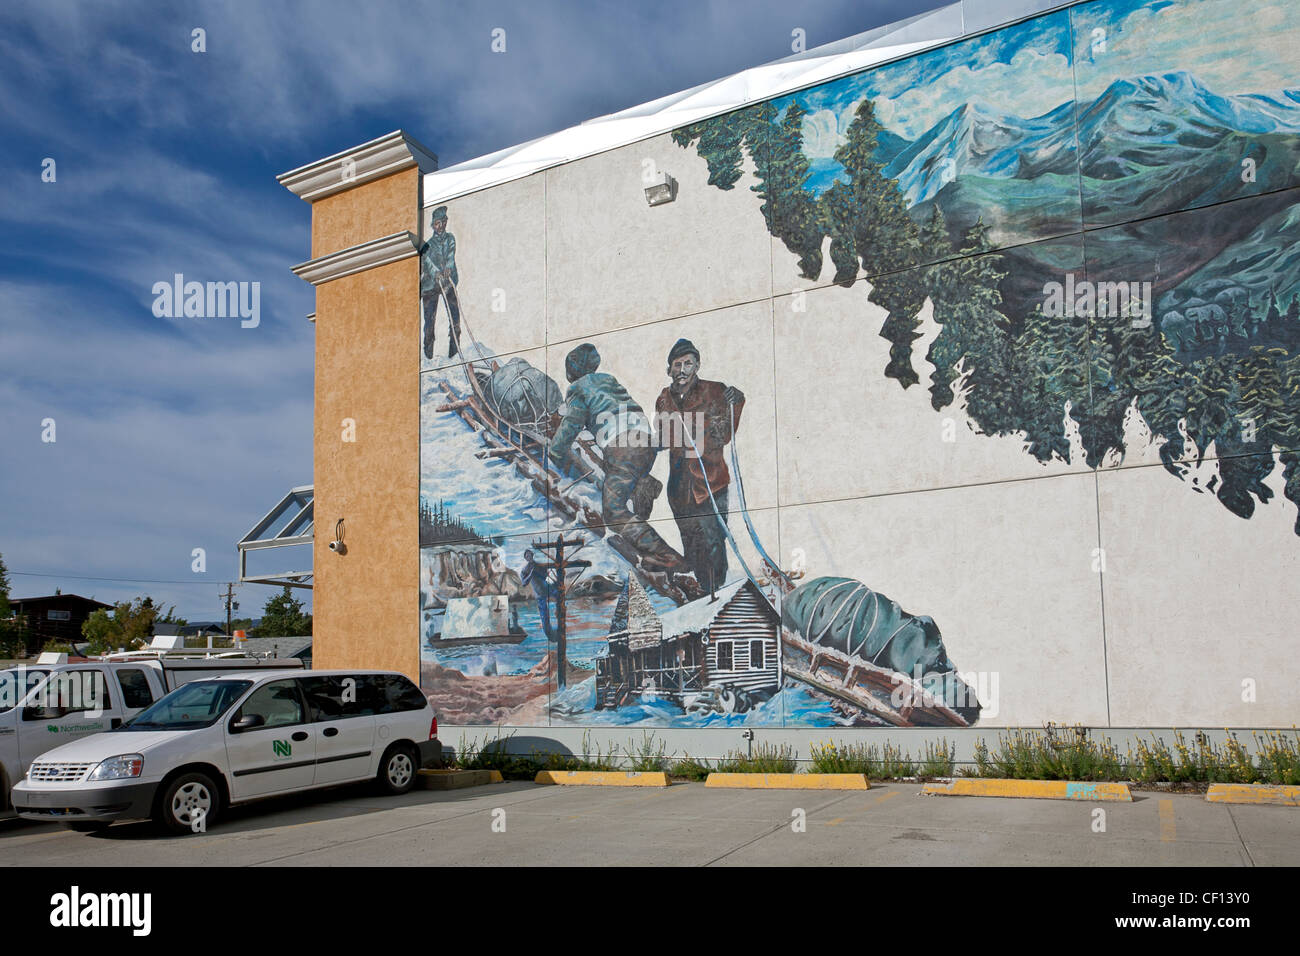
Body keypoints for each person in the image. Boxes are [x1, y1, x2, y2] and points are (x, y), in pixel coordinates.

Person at [549, 343, 682, 571]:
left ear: (572, 371)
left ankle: (667, 556)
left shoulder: (578, 389)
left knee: (613, 511)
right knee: (623, 472)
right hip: (645, 443)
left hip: (623, 446)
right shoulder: (608, 382)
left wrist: (555, 451)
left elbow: (572, 424)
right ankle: (644, 484)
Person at [654, 338, 745, 592]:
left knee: (714, 541)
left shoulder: (715, 391)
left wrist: (734, 403)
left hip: (711, 482)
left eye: (688, 364)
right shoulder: (663, 399)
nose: (682, 370)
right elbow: (662, 437)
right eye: (677, 364)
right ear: (669, 369)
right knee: (691, 542)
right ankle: (704, 594)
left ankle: (717, 592)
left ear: (697, 366)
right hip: (680, 487)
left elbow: (724, 435)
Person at [421, 205, 461, 360]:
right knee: (429, 323)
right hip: (430, 286)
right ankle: (427, 356)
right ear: (433, 225)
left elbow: (451, 255)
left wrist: (448, 269)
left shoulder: (450, 238)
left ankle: (455, 354)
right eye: (437, 223)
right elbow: (428, 262)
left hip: (448, 282)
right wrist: (436, 272)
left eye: (442, 222)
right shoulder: (428, 244)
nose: (440, 226)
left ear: (446, 222)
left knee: (455, 320)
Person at [519, 549, 557, 641]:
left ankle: (559, 614)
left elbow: (545, 576)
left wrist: (546, 573)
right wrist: (531, 573)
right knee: (544, 616)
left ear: (532, 555)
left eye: (530, 555)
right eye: (527, 556)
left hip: (547, 589)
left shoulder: (540, 566)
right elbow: (524, 583)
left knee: (559, 595)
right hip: (539, 594)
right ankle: (551, 635)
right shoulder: (525, 570)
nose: (529, 557)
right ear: (525, 558)